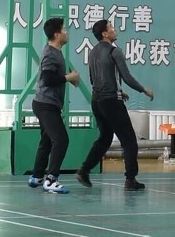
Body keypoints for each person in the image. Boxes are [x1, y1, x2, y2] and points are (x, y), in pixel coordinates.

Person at [75, 18, 152, 191]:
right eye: (111, 27)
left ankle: (84, 170)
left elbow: (94, 79)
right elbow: (127, 77)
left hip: (97, 101)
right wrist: (143, 90)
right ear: (104, 33)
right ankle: (130, 179)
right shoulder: (114, 51)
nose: (114, 29)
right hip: (111, 101)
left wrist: (118, 90)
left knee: (105, 138)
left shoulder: (92, 52)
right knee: (129, 140)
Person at [24, 16, 82, 195]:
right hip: (45, 104)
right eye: (63, 29)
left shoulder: (55, 52)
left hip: (46, 103)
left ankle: (37, 176)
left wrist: (69, 78)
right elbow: (48, 79)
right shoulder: (50, 53)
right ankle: (51, 180)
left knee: (47, 140)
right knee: (61, 140)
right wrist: (69, 77)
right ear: (56, 35)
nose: (66, 32)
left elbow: (52, 75)